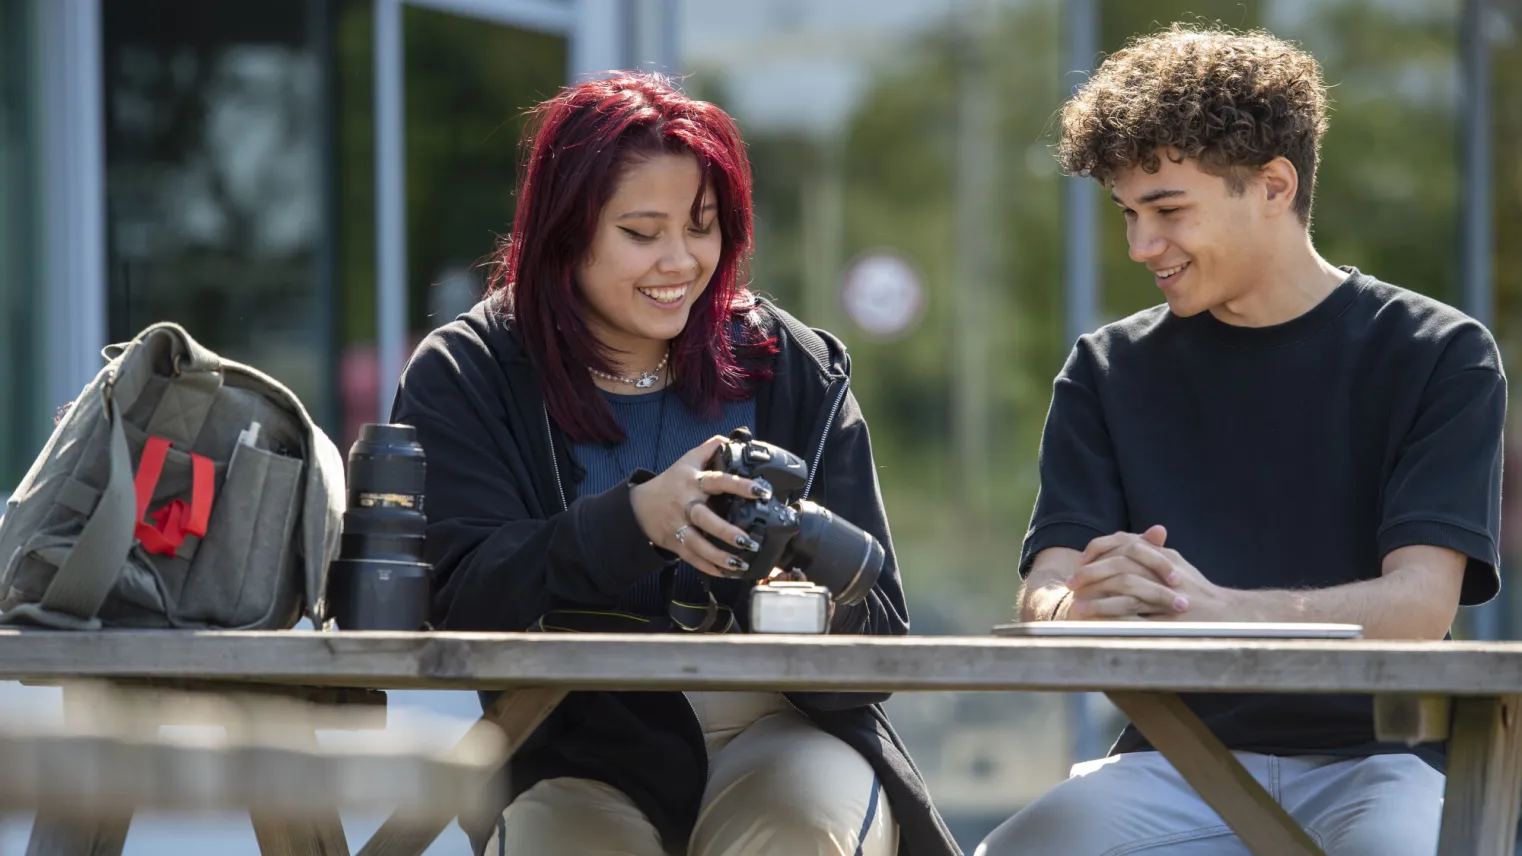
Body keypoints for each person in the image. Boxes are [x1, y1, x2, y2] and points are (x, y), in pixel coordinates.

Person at [391, 72, 959, 856]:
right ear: (565, 230)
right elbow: (453, 601)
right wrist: (636, 521)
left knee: (803, 829)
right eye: (641, 231)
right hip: (572, 745)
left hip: (781, 724)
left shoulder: (795, 365)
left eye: (703, 226)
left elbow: (879, 637)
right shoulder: (471, 370)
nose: (680, 261)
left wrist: (806, 584)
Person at [978, 24, 1505, 856]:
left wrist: (1215, 614)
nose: (1141, 246)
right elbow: (1048, 581)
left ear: (1272, 185)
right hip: (1170, 762)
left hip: (1383, 763)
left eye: (1168, 210)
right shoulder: (1105, 370)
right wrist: (1076, 604)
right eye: (1127, 215)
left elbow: (1418, 607)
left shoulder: (1438, 353)